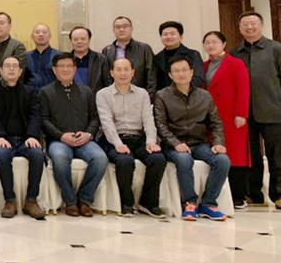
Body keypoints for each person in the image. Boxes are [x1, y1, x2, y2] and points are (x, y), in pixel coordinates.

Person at [155, 55, 230, 221]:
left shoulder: (204, 95)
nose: (181, 74)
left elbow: (216, 123)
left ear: (192, 72)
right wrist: (176, 143)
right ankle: (190, 203)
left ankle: (208, 203)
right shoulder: (162, 95)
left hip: (199, 144)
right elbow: (160, 125)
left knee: (223, 160)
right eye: (176, 71)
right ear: (170, 75)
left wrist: (218, 143)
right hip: (173, 145)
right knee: (184, 159)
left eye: (184, 70)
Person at [96, 58, 166, 218]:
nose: (123, 73)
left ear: (133, 72)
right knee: (125, 161)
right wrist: (118, 144)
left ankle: (148, 203)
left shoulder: (142, 94)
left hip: (138, 138)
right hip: (113, 139)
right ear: (111, 73)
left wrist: (151, 141)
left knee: (158, 159)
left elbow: (148, 119)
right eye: (119, 70)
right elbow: (106, 123)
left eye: (126, 69)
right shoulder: (103, 94)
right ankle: (126, 203)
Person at [41, 53, 107, 217]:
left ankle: (84, 200)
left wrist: (88, 134)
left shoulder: (86, 92)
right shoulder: (45, 92)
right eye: (61, 66)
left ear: (75, 69)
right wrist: (61, 136)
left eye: (69, 66)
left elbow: (95, 118)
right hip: (59, 140)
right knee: (60, 158)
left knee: (100, 159)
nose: (65, 69)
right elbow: (43, 120)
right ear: (54, 70)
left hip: (84, 139)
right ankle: (70, 201)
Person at [230, 11, 281, 209]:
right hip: (244, 114)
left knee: (277, 155)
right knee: (251, 155)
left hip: (273, 110)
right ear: (240, 28)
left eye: (253, 24)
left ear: (262, 26)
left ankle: (278, 194)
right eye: (245, 24)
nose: (249, 27)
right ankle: (253, 193)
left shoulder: (276, 48)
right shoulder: (234, 52)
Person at [0, 55, 46, 220]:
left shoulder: (30, 91)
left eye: (15, 66)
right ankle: (9, 200)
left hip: (25, 139)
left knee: (37, 154)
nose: (11, 69)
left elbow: (35, 116)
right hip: (3, 139)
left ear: (20, 71)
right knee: (2, 155)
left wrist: (32, 136)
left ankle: (31, 200)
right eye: (7, 66)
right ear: (0, 70)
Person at [203, 31, 250, 209]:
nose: (211, 45)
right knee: (217, 152)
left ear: (223, 44)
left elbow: (244, 90)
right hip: (212, 115)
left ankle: (238, 196)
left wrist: (241, 113)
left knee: (236, 154)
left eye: (215, 42)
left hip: (232, 115)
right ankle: (221, 195)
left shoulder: (235, 63)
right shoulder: (204, 65)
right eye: (207, 42)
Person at [101, 16, 157, 101]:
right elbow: (106, 78)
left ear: (131, 29)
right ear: (113, 30)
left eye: (125, 26)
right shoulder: (107, 51)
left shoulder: (144, 49)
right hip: (114, 99)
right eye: (118, 27)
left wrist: (148, 99)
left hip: (139, 98)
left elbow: (151, 77)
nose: (121, 29)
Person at [153, 21, 204, 90]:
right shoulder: (157, 58)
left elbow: (198, 78)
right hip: (163, 95)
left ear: (181, 36)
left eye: (172, 34)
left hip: (188, 94)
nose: (168, 37)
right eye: (165, 34)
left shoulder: (193, 54)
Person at [69, 26, 112, 95]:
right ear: (71, 41)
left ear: (89, 40)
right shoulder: (66, 60)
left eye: (83, 39)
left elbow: (107, 83)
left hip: (95, 99)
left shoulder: (101, 59)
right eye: (75, 39)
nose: (79, 42)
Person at [0, 12, 26, 85]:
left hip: (11, 87)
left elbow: (18, 70)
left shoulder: (18, 46)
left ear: (9, 26)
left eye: (1, 23)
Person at [24, 23, 60, 93]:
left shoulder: (58, 56)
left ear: (50, 36)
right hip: (30, 95)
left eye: (44, 32)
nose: (41, 34)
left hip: (52, 95)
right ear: (32, 36)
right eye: (37, 32)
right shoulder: (26, 56)